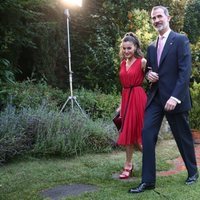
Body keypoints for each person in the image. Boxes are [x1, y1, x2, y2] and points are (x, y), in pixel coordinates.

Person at [129, 5, 199, 193]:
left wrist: (175, 97)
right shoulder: (152, 46)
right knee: (147, 134)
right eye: (153, 18)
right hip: (156, 98)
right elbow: (151, 70)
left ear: (168, 18)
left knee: (182, 138)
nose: (156, 20)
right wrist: (148, 75)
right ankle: (148, 181)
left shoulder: (180, 40)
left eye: (159, 16)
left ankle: (193, 172)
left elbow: (185, 72)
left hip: (175, 99)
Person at [116, 32, 147, 179]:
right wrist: (121, 105)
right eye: (124, 48)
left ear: (135, 47)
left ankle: (148, 164)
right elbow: (123, 86)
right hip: (126, 98)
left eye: (129, 48)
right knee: (128, 133)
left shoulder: (142, 61)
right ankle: (128, 165)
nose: (126, 51)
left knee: (139, 135)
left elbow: (152, 79)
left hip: (138, 98)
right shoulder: (122, 63)